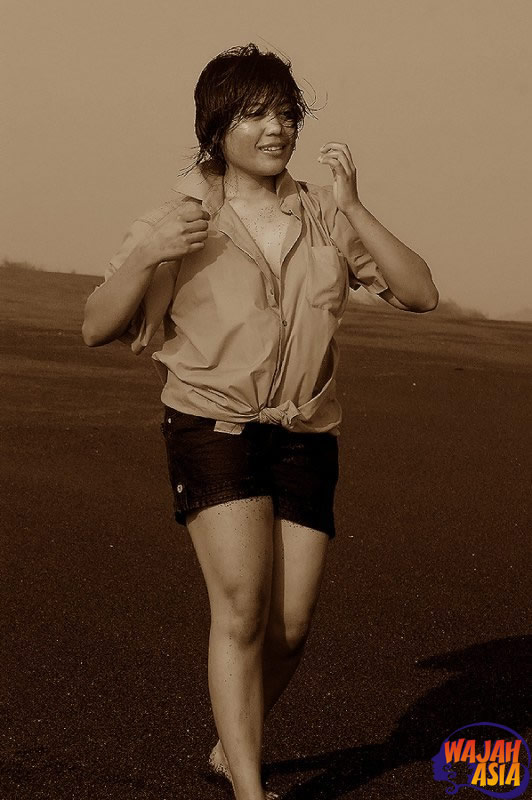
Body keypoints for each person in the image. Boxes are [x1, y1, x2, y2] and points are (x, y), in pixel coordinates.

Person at [82, 43, 438, 800]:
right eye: (254, 114)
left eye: (285, 113)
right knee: (241, 607)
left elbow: (420, 293)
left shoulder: (324, 216)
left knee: (290, 627)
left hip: (307, 432)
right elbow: (95, 327)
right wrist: (146, 256)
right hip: (213, 427)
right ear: (217, 129)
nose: (276, 128)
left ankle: (229, 746)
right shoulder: (180, 220)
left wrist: (354, 207)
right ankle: (249, 789)